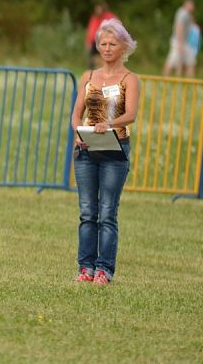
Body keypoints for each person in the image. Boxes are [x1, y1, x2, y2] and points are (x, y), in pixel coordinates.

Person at [70, 18, 139, 285]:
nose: (107, 48)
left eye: (113, 43)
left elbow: (131, 114)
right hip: (86, 149)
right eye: (103, 43)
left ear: (123, 47)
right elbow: (76, 114)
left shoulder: (129, 79)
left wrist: (108, 124)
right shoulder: (88, 77)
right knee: (87, 211)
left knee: (107, 211)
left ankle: (104, 269)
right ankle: (85, 268)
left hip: (114, 148)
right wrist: (78, 132)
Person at [162, 0, 196, 77]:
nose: (193, 7)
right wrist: (180, 43)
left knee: (188, 62)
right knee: (172, 60)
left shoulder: (186, 14)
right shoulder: (182, 13)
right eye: (191, 5)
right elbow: (179, 28)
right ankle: (164, 79)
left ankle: (189, 82)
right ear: (186, 4)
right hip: (178, 41)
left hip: (184, 42)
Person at [85, 2, 117, 69]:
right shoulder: (94, 18)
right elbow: (90, 31)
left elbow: (117, 30)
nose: (97, 10)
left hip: (106, 41)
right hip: (94, 42)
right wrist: (88, 41)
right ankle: (92, 74)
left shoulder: (110, 17)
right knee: (93, 60)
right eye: (96, 9)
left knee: (105, 59)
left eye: (98, 9)